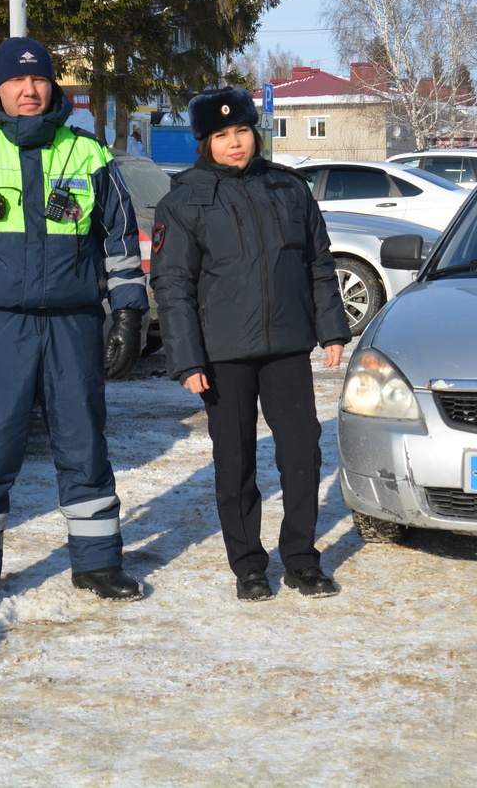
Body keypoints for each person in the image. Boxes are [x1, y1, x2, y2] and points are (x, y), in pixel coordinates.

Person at [0, 36, 149, 626]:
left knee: (84, 444)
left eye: (39, 80)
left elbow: (119, 242)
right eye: (17, 81)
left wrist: (127, 310)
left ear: (53, 87)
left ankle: (96, 562)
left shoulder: (88, 155)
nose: (29, 90)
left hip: (72, 325)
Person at [149, 87, 350, 602]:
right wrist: (187, 358)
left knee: (302, 451)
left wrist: (331, 327)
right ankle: (249, 565)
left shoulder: (289, 188)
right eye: (221, 136)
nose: (235, 143)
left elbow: (317, 263)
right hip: (222, 354)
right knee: (235, 460)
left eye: (241, 131)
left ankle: (302, 560)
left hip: (286, 345)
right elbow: (172, 286)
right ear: (204, 143)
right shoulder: (183, 200)